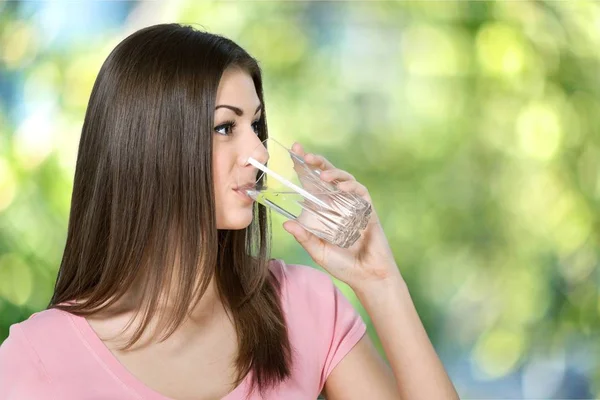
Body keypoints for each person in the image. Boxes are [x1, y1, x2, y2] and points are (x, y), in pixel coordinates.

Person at [0, 23, 459, 400]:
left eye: (256, 124)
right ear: (152, 146)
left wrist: (380, 281)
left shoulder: (303, 306)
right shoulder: (39, 356)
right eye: (226, 126)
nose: (258, 150)